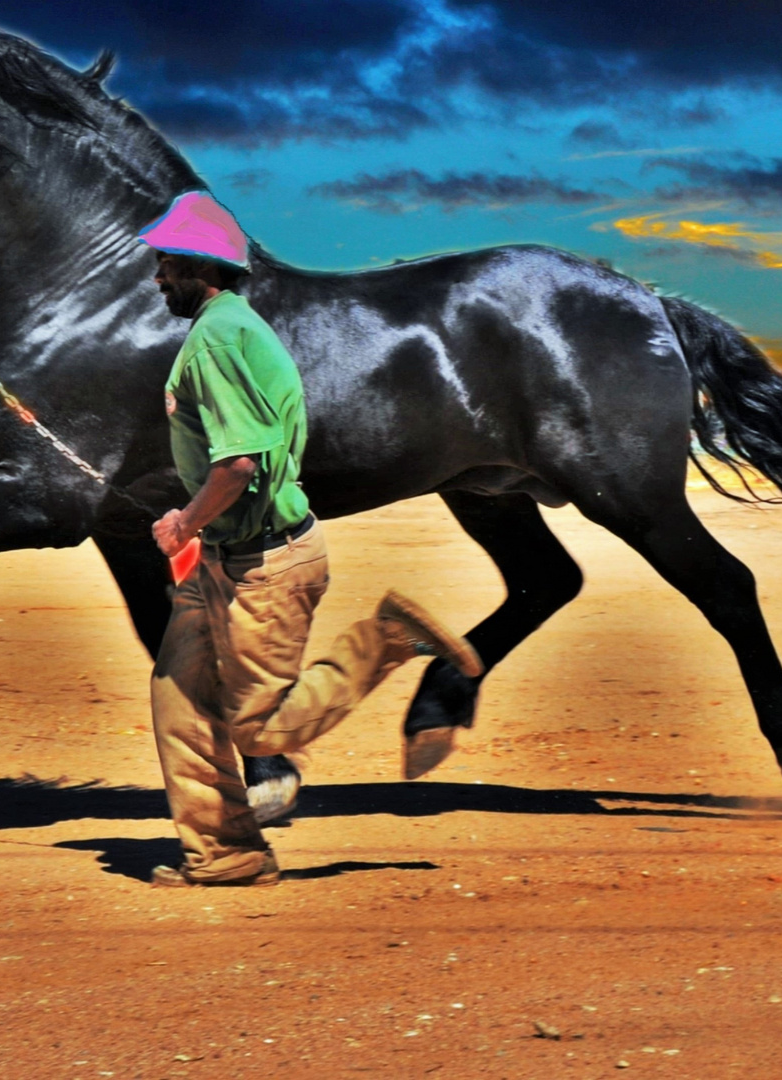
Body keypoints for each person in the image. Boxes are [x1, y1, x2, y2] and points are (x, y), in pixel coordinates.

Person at [138, 191, 484, 887]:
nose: (156, 276)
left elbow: (237, 463)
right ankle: (225, 853)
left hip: (264, 568)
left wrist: (184, 521)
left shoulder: (219, 336)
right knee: (179, 698)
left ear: (198, 266)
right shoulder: (232, 327)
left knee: (260, 732)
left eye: (165, 262)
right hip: (225, 560)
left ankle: (386, 637)